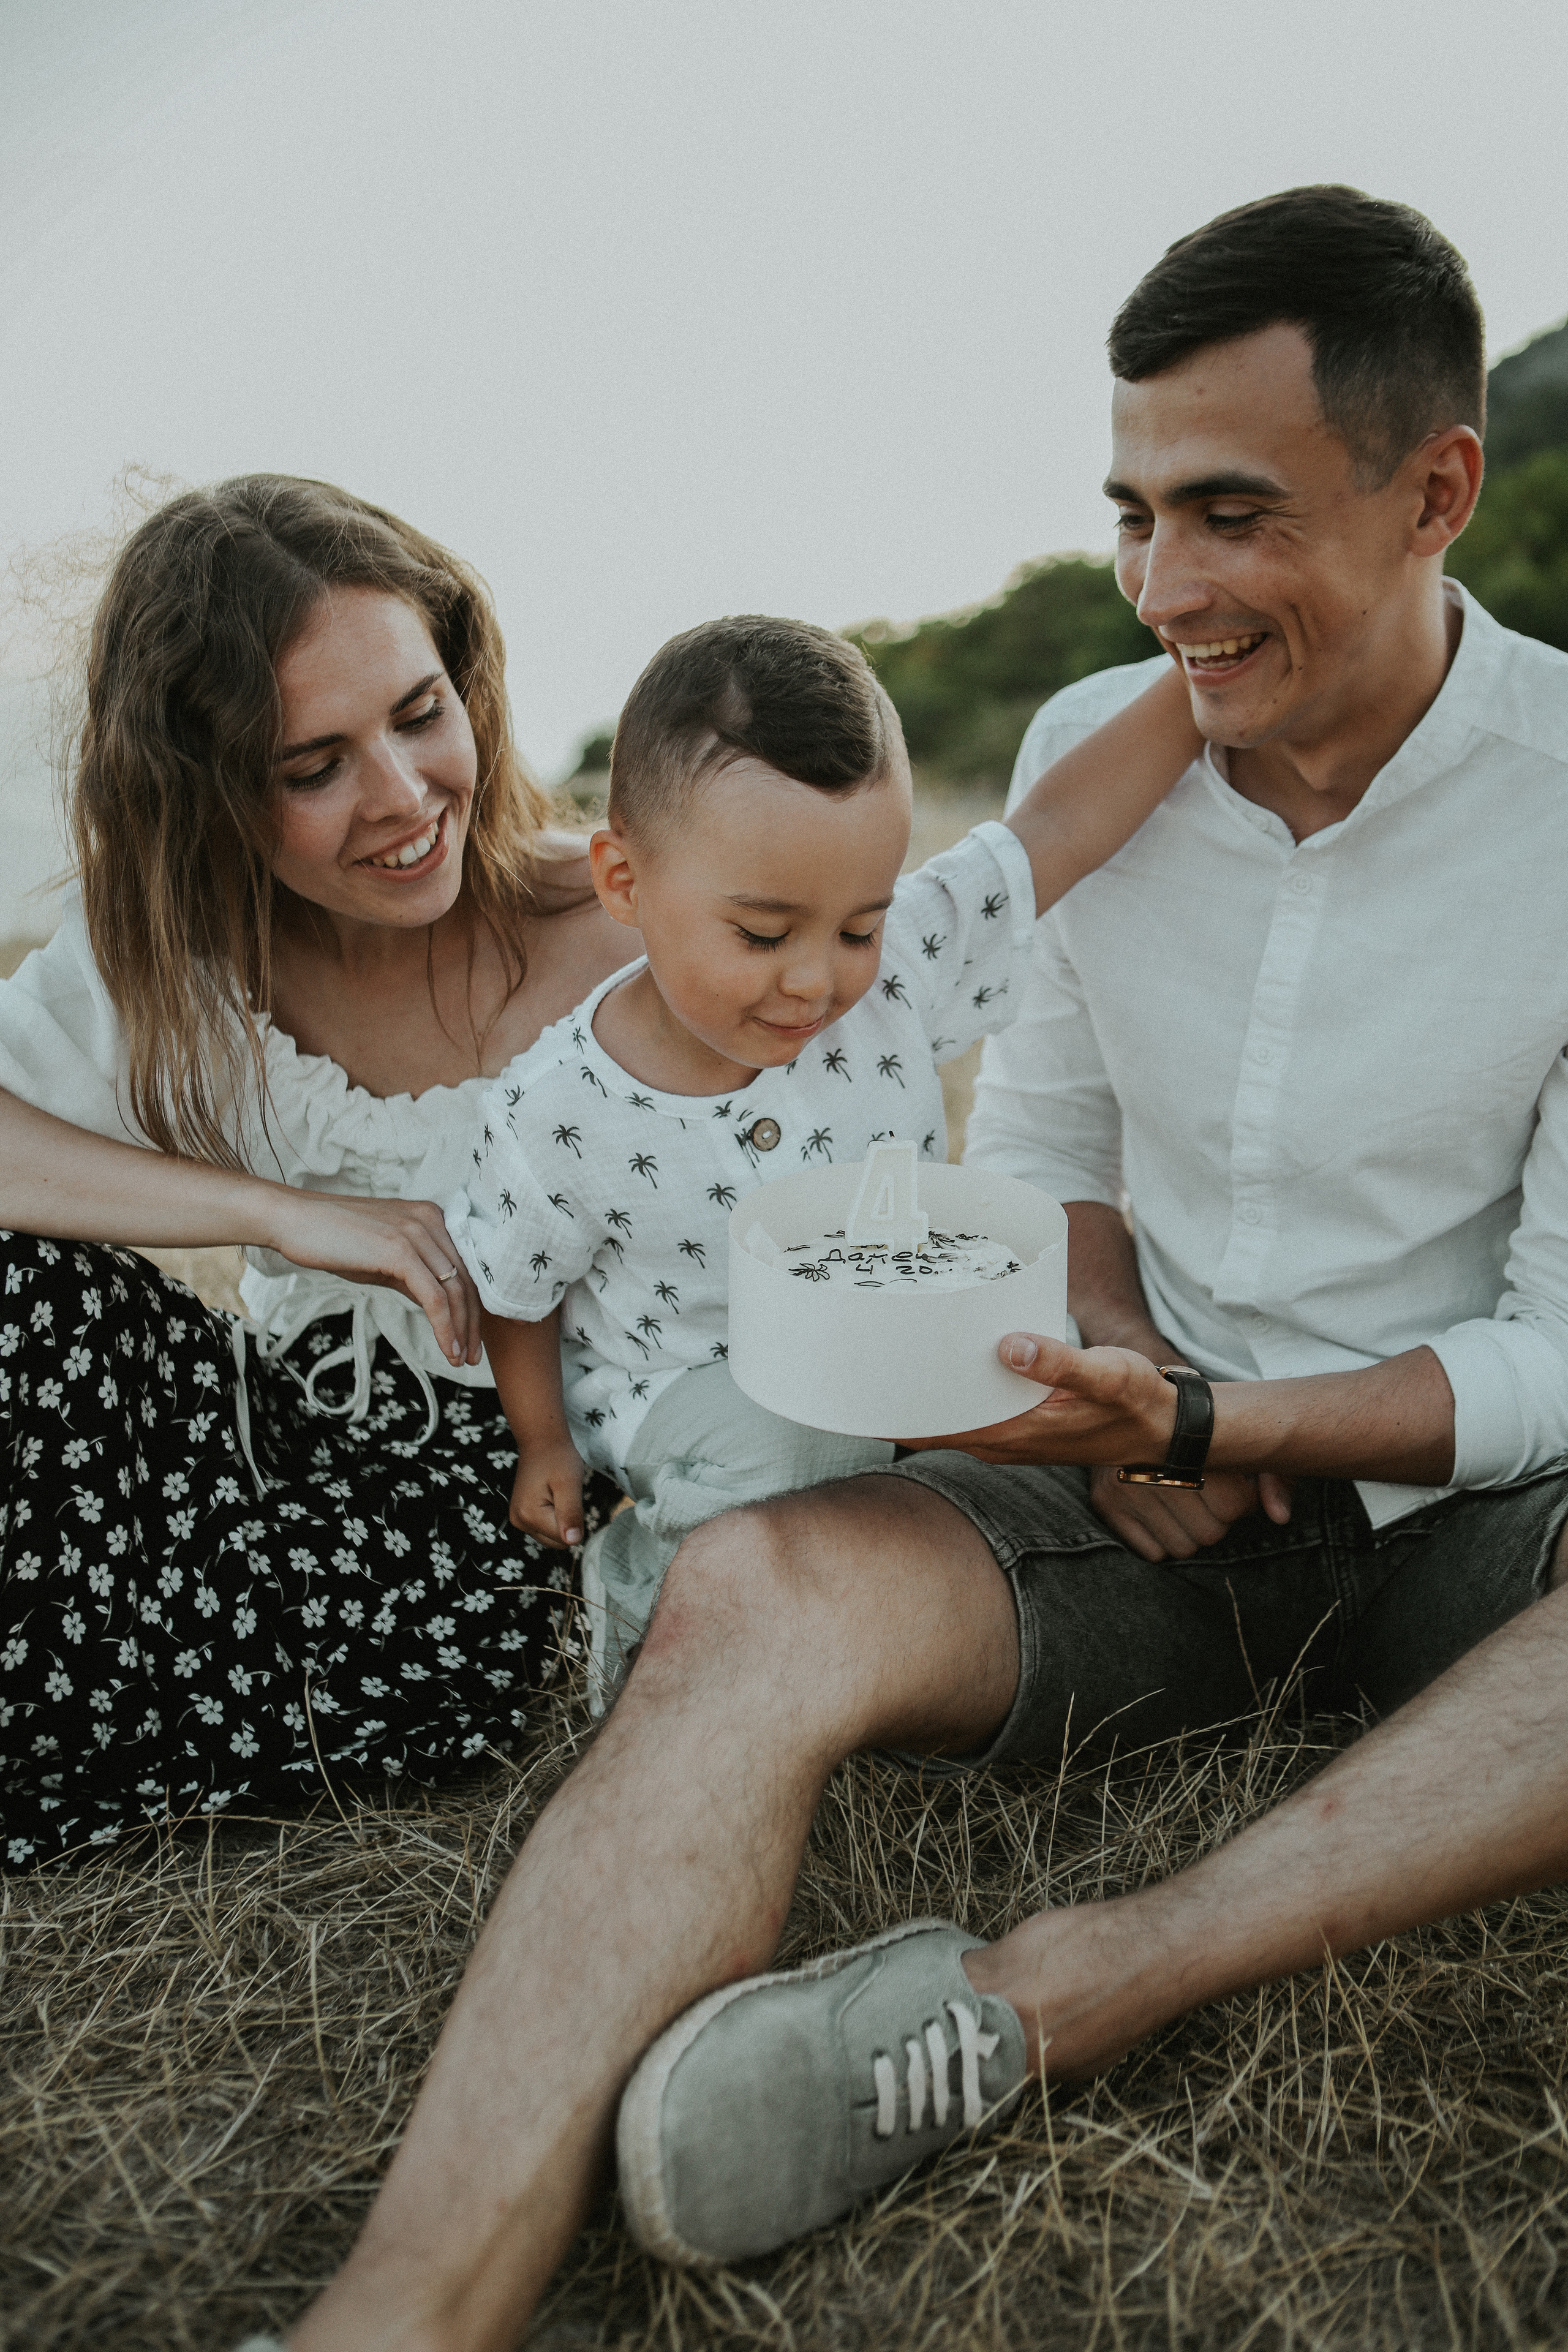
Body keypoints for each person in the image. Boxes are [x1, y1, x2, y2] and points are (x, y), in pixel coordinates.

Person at [288, 186, 1568, 2348]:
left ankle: (1079, 1984)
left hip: (1469, 1527)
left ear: (1439, 487)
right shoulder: (1102, 740)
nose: (1164, 585)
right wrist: (1128, 1363)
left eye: (1229, 512)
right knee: (746, 1583)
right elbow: (1053, 1135)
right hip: (1121, 1496)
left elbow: (1557, 1350)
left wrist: (1225, 1416)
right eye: (1135, 510)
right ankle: (396, 2317)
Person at [0, 474, 640, 1869]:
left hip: (528, 1522)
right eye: (313, 768)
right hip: (275, 1464)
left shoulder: (628, 921)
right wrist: (279, 1212)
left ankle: (106, 1720)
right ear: (208, 793)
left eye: (420, 715)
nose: (404, 798)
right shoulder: (174, 968)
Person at [449, 614, 1198, 1692]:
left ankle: (998, 1607)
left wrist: (1201, 674)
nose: (818, 983)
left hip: (892, 1316)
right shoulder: (557, 1109)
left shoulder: (896, 976)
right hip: (699, 1383)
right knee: (795, 1444)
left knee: (1046, 1359)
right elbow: (520, 1290)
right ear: (623, 881)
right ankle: (656, 1617)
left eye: (859, 927)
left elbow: (1058, 828)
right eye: (763, 935)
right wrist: (545, 1444)